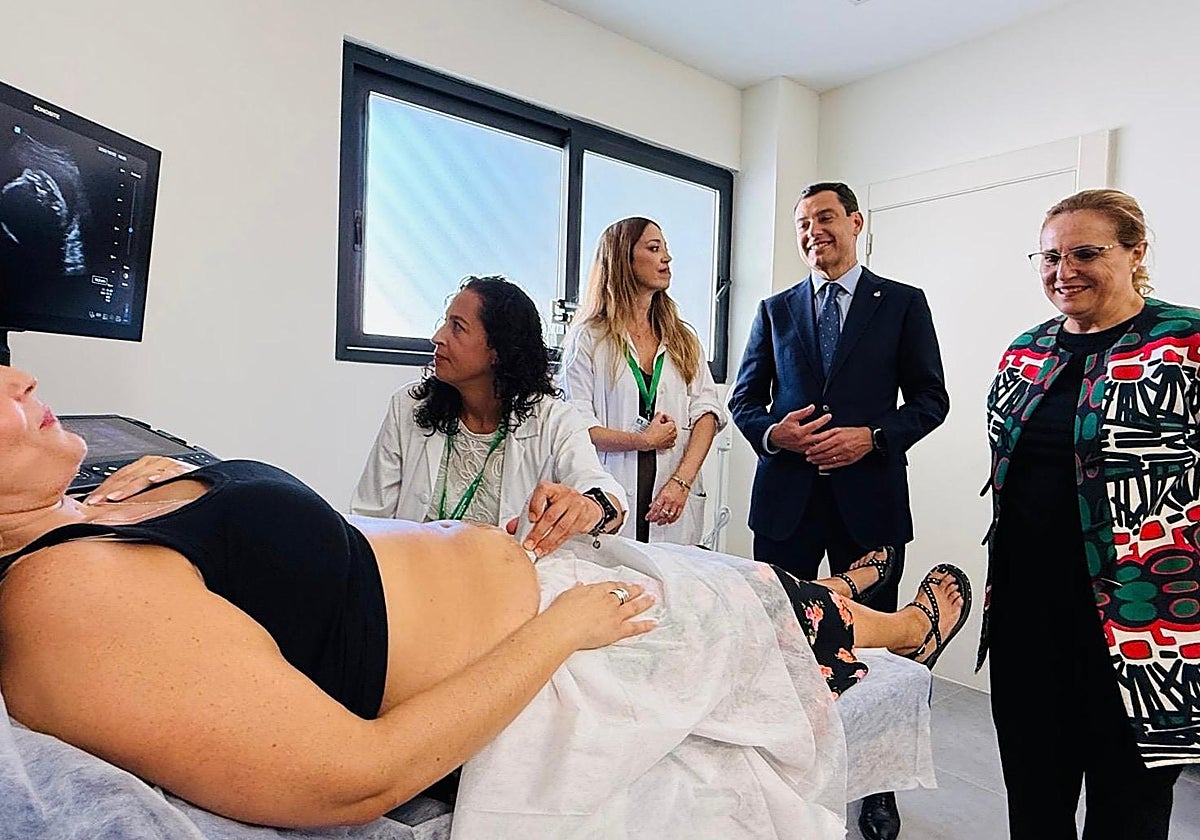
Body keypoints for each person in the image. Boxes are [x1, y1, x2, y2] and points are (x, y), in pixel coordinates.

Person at [0, 364, 972, 836]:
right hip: (543, 645)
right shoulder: (64, 603)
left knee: (747, 587)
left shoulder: (96, 517)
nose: (22, 376)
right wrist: (556, 635)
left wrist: (176, 482)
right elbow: (353, 776)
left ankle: (852, 606)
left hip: (547, 579)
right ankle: (903, 629)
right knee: (762, 600)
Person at [727, 181, 950, 840]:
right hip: (787, 504)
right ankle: (786, 769)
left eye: (824, 217)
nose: (812, 231)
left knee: (872, 648)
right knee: (784, 643)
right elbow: (745, 401)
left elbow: (930, 401)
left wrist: (873, 437)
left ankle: (877, 789)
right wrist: (776, 434)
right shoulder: (775, 309)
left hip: (870, 506)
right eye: (802, 223)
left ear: (856, 222)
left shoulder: (903, 305)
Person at [978, 188, 1200, 839]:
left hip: (1146, 625)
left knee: (1128, 812)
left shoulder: (1185, 342)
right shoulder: (1027, 348)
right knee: (1035, 802)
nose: (1063, 270)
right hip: (1026, 620)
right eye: (1050, 256)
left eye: (1085, 252)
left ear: (1135, 251)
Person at [351, 275, 627, 558]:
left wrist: (590, 508)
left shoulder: (553, 419)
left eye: (457, 327)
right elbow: (369, 517)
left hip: (506, 581)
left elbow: (603, 492)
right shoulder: (408, 407)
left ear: (497, 350)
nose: (438, 338)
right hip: (416, 576)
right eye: (445, 322)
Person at [561, 216, 726, 545]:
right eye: (654, 248)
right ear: (623, 258)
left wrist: (681, 482)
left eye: (665, 249)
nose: (666, 257)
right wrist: (642, 441)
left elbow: (708, 412)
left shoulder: (682, 338)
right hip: (609, 497)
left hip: (673, 501)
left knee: (673, 588)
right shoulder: (588, 338)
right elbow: (578, 427)